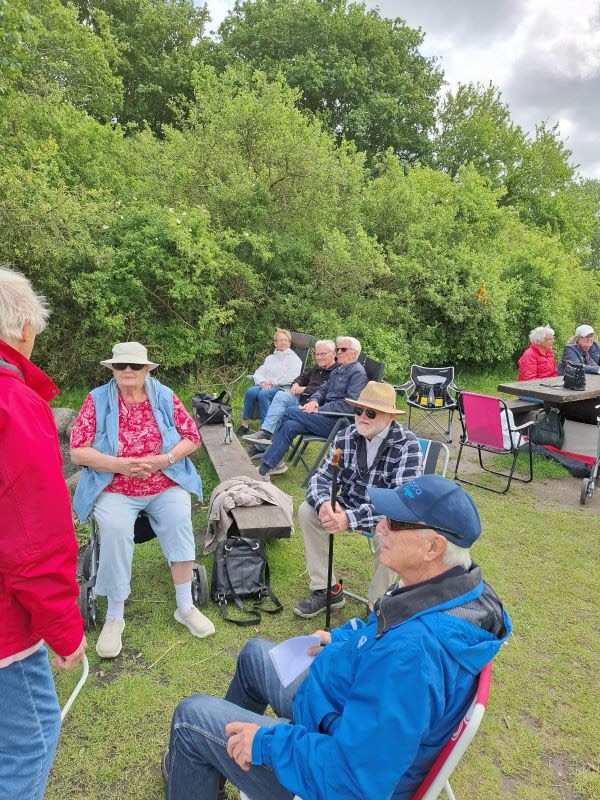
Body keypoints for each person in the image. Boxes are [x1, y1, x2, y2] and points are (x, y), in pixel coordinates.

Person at [164, 474, 512, 800]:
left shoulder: (411, 656)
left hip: (326, 770)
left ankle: (202, 757)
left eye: (395, 523)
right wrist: (341, 639)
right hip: (335, 710)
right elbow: (376, 630)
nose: (380, 527)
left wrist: (265, 744)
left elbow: (353, 780)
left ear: (433, 546)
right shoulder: (451, 589)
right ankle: (212, 766)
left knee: (190, 719)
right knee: (255, 653)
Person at [0, 267, 87, 800]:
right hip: (5, 624)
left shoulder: (164, 397)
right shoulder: (13, 403)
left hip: (157, 481)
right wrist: (63, 628)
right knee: (28, 745)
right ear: (26, 327)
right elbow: (33, 538)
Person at [70, 341, 213, 660]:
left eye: (135, 365)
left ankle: (185, 606)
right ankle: (114, 617)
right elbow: (78, 450)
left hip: (164, 482)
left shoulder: (164, 395)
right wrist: (117, 464)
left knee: (179, 519)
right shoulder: (97, 399)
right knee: (115, 530)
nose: (128, 371)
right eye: (121, 366)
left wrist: (164, 459)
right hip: (115, 486)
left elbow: (192, 437)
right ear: (113, 369)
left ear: (147, 369)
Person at [295, 381, 422, 616]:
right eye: (358, 410)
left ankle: (378, 606)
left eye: (371, 413)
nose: (362, 417)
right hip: (350, 503)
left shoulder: (408, 444)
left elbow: (402, 502)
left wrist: (349, 519)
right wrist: (324, 503)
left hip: (386, 514)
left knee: (396, 531)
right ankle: (327, 589)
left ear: (390, 417)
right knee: (307, 510)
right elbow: (321, 476)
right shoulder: (346, 436)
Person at [258, 336, 368, 477]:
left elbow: (350, 405)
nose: (339, 352)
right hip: (325, 416)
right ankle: (270, 465)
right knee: (290, 425)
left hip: (339, 423)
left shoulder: (357, 374)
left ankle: (266, 444)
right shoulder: (339, 369)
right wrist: (314, 401)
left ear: (354, 353)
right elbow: (323, 389)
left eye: (343, 349)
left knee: (291, 411)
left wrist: (320, 409)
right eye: (338, 349)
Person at [242, 339, 337, 457]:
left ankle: (262, 448)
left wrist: (304, 389)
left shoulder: (337, 372)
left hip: (313, 407)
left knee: (281, 414)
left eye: (323, 354)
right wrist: (296, 384)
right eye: (317, 354)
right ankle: (265, 433)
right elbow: (302, 377)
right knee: (281, 395)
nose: (319, 357)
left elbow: (326, 391)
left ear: (333, 353)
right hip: (300, 399)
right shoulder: (318, 367)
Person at [237, 329, 302, 435]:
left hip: (283, 388)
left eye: (285, 340)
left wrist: (272, 382)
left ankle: (264, 430)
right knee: (250, 392)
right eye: (280, 340)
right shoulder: (270, 358)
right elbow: (259, 372)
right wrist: (262, 382)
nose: (283, 342)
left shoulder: (295, 360)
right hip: (266, 385)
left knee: (264, 394)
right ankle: (245, 425)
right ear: (275, 343)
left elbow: (292, 378)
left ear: (289, 343)